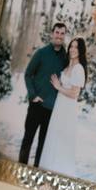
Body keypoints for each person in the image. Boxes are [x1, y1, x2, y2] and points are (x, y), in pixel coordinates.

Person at [19, 23, 67, 166]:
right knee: (28, 139)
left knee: (43, 146)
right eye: (57, 32)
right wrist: (33, 95)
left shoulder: (66, 59)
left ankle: (36, 173)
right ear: (52, 34)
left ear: (65, 36)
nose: (59, 36)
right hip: (37, 105)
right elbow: (28, 74)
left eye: (62, 33)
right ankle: (21, 169)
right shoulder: (41, 53)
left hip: (53, 110)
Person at [38, 37, 87, 174]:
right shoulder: (68, 66)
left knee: (62, 140)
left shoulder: (78, 69)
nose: (72, 49)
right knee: (54, 137)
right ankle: (48, 170)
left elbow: (74, 93)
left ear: (80, 50)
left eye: (76, 47)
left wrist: (58, 87)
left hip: (67, 110)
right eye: (71, 46)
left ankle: (58, 173)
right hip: (59, 107)